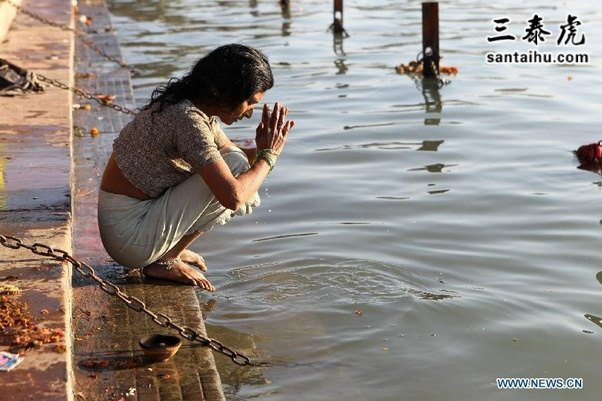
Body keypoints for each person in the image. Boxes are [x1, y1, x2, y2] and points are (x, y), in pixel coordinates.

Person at [97, 44, 295, 292]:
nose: (249, 114)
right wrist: (268, 156)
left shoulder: (195, 109)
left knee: (235, 162)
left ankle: (169, 252)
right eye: (249, 102)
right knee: (235, 168)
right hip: (129, 237)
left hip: (132, 224)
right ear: (229, 92)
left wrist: (267, 147)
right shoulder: (187, 120)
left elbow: (227, 154)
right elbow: (232, 196)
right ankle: (165, 260)